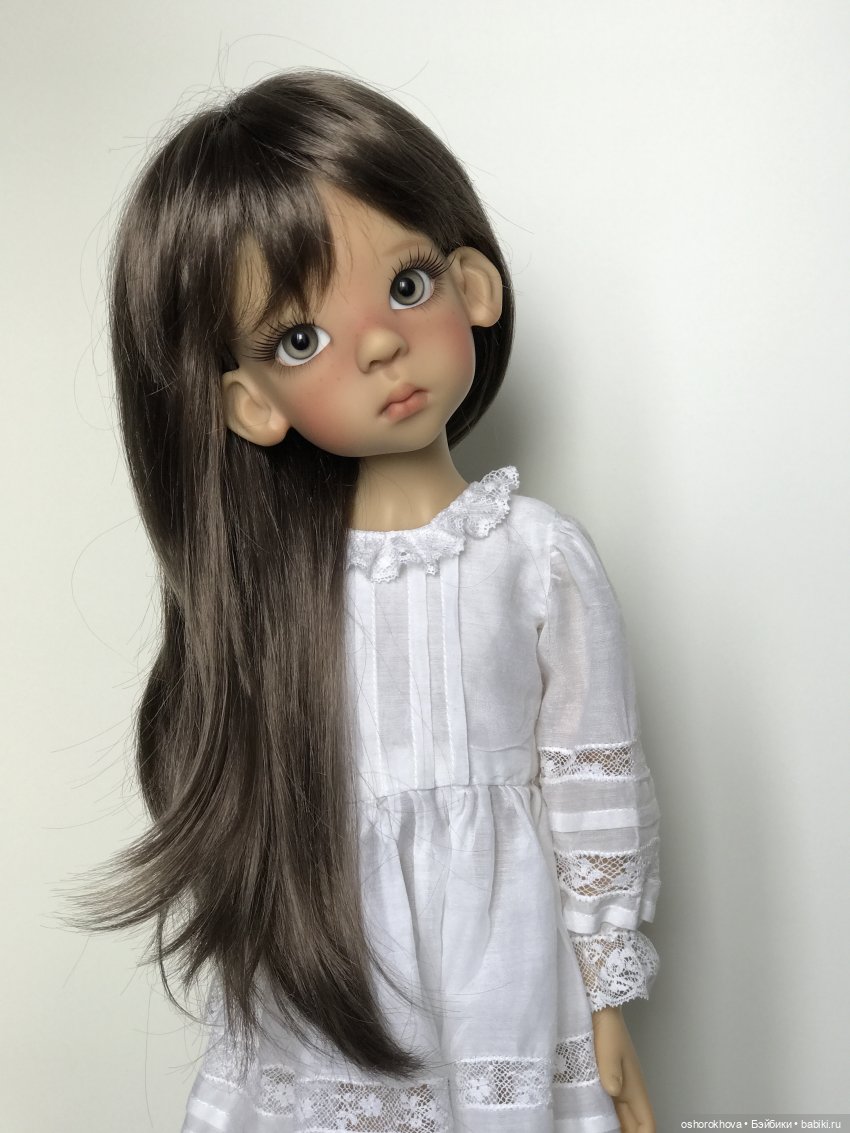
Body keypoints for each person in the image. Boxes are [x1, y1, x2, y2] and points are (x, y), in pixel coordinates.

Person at [95, 69, 661, 1132]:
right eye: (299, 339)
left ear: (472, 284)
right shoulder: (271, 590)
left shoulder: (535, 558)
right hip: (328, 967)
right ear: (251, 404)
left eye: (405, 285)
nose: (379, 344)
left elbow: (593, 778)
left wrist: (605, 998)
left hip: (503, 974)